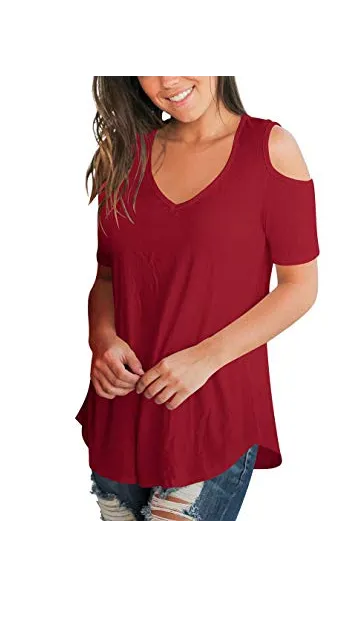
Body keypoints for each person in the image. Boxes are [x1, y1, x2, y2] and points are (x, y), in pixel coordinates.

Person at [75, 74, 320, 527]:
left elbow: (299, 286)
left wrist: (205, 358)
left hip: (212, 415)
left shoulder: (270, 149)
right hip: (121, 412)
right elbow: (107, 276)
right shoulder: (125, 153)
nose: (169, 79)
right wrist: (102, 338)